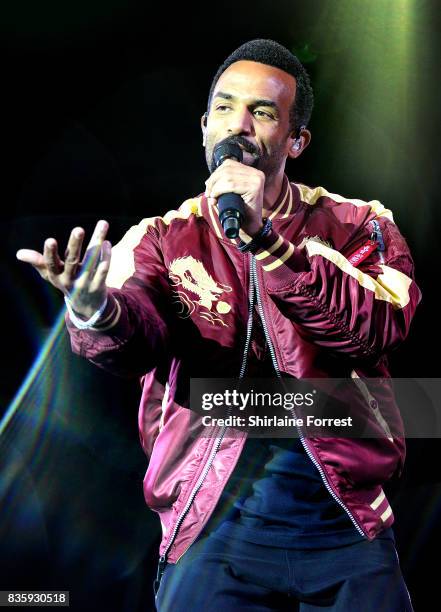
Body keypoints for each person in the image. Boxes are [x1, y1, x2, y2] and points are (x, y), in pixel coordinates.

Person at [16, 39, 421, 611]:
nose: (239, 126)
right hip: (213, 525)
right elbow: (138, 333)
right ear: (204, 127)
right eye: (226, 109)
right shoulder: (162, 237)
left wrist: (268, 242)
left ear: (296, 140)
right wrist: (94, 310)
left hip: (346, 523)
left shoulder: (359, 224)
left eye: (261, 112)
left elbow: (377, 327)